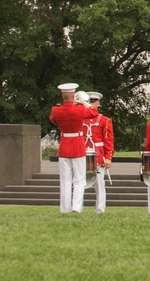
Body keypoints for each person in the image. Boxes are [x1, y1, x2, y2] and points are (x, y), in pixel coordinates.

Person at [49, 82, 99, 213]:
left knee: (65, 181)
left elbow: (53, 119)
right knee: (79, 180)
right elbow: (94, 113)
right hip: (77, 146)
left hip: (64, 145)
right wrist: (84, 102)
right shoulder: (80, 109)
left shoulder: (56, 110)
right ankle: (76, 207)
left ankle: (64, 208)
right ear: (73, 95)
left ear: (63, 96)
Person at [81, 91, 114, 214]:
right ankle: (78, 207)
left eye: (93, 102)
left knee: (99, 183)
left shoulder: (104, 120)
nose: (90, 105)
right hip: (83, 153)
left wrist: (108, 157)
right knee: (80, 182)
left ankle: (100, 208)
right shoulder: (80, 118)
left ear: (98, 103)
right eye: (89, 102)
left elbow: (108, 140)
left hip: (98, 154)